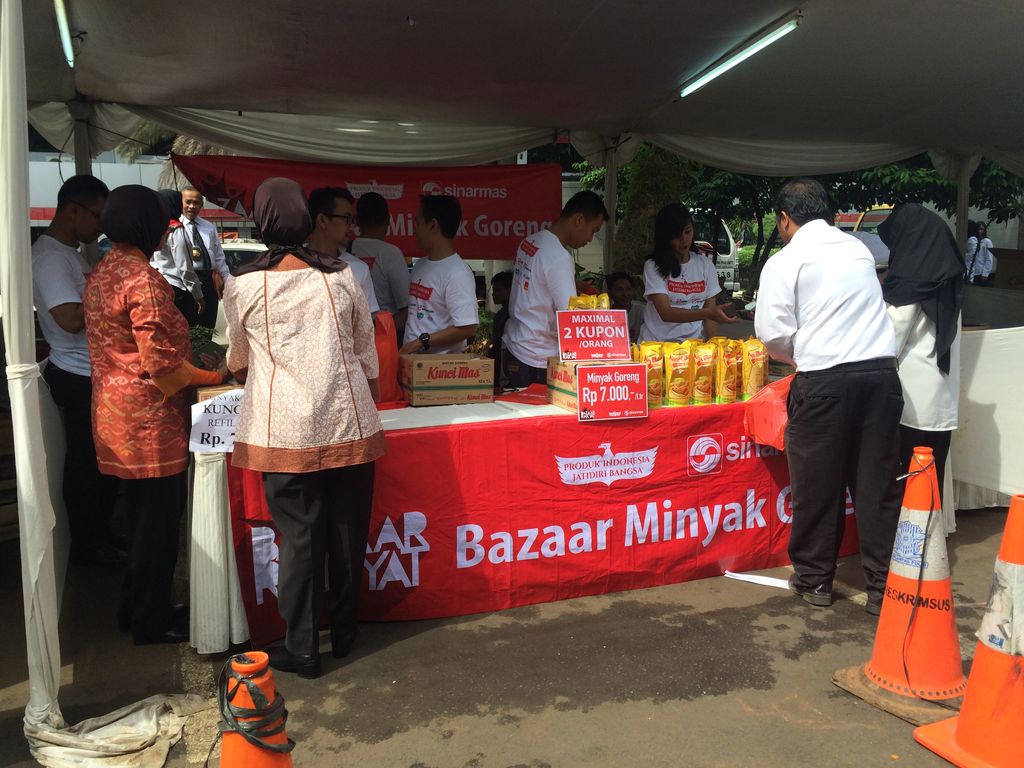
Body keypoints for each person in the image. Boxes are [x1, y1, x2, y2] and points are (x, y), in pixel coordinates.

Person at [224, 177, 386, 679]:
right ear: (306, 218)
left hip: (283, 430)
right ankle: (344, 634)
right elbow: (366, 354)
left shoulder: (243, 285)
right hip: (348, 421)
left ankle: (302, 648)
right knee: (346, 535)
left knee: (299, 542)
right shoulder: (342, 277)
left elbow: (237, 361)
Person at [83, 185, 226, 644]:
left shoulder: (104, 271)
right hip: (149, 422)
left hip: (112, 414)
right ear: (144, 224)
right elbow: (164, 369)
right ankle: (151, 619)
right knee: (157, 527)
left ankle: (137, 607)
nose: (167, 232)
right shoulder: (142, 278)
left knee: (141, 521)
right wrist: (214, 375)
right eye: (161, 223)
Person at [754, 179, 902, 616]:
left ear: (784, 219)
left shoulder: (786, 261)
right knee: (876, 487)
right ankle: (884, 588)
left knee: (818, 485)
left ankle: (816, 580)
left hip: (825, 382)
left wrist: (800, 353)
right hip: (880, 378)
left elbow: (773, 335)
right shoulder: (858, 250)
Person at [32, 175, 123, 567]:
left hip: (89, 370)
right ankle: (89, 545)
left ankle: (101, 534)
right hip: (74, 374)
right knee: (86, 464)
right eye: (97, 216)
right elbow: (69, 318)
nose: (101, 225)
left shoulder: (72, 252)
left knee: (98, 464)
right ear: (73, 210)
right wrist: (116, 302)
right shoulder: (50, 257)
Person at [877, 203, 963, 501]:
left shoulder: (910, 285)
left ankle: (910, 546)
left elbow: (889, 341)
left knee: (909, 486)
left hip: (910, 404)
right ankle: (933, 541)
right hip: (941, 401)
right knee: (932, 483)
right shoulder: (946, 277)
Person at [503, 191, 609, 386]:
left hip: (516, 345)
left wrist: (573, 285)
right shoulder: (559, 257)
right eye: (593, 230)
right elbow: (570, 316)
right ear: (578, 220)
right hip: (538, 357)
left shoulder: (530, 241)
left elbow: (536, 283)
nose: (590, 239)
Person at [638, 203, 736, 342]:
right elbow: (666, 313)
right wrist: (708, 313)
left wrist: (714, 344)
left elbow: (711, 316)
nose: (684, 240)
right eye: (676, 235)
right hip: (657, 347)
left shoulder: (705, 265)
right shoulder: (653, 266)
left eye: (688, 231)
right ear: (665, 237)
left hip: (693, 347)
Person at [399, 195, 479, 355]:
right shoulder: (419, 265)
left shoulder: (457, 273)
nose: (414, 230)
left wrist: (419, 342)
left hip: (439, 372)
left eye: (418, 222)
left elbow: (467, 328)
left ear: (433, 225)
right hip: (411, 363)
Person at [307, 187, 380, 314]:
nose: (352, 226)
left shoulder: (358, 269)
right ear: (322, 220)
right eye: (346, 219)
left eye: (352, 220)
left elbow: (366, 327)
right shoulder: (293, 265)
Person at [169, 186, 231, 327]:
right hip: (185, 283)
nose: (192, 206)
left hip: (208, 281)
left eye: (196, 202)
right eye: (188, 202)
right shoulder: (175, 227)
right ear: (180, 203)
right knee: (190, 329)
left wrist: (228, 282)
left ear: (202, 204)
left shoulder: (209, 227)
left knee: (208, 326)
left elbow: (219, 258)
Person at [352, 192, 410, 337]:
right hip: (382, 339)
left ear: (356, 221)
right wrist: (376, 335)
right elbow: (408, 310)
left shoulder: (345, 251)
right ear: (388, 220)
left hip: (352, 335)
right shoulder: (391, 253)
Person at [150, 189, 205, 326]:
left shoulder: (154, 225)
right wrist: (198, 295)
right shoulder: (176, 229)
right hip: (176, 290)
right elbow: (184, 267)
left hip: (156, 285)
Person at [488, 270, 513, 387]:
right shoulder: (500, 315)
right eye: (493, 290)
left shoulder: (514, 317)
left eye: (498, 290)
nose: (493, 294)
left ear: (510, 290)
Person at [605, 271, 645, 343]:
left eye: (628, 289)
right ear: (610, 294)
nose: (625, 294)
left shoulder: (643, 311)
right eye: (619, 290)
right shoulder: (604, 315)